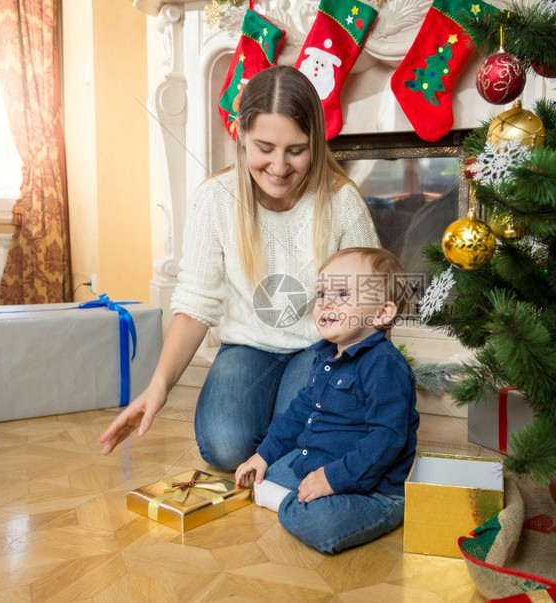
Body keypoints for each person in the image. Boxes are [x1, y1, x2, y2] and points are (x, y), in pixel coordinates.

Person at [99, 66, 380, 469]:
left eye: (296, 150)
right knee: (224, 446)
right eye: (265, 147)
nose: (279, 167)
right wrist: (157, 387)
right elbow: (196, 304)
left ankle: (283, 432)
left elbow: (369, 304)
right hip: (248, 347)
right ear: (241, 135)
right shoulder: (214, 201)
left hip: (320, 346)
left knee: (298, 440)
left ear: (315, 144)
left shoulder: (342, 203)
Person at [235, 247, 419, 554]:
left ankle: (292, 503)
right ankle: (292, 496)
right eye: (321, 293)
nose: (327, 303)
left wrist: (333, 479)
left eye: (343, 293)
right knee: (269, 471)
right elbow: (299, 412)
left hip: (372, 490)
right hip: (320, 463)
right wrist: (263, 455)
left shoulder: (385, 365)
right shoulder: (325, 355)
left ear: (382, 313)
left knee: (321, 525)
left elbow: (387, 439)